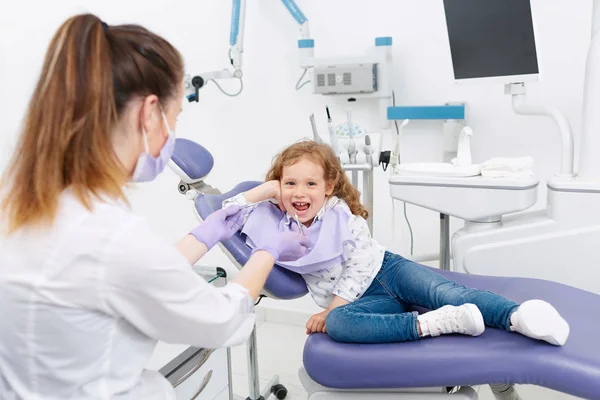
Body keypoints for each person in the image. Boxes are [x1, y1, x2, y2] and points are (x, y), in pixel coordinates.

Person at [0, 14, 309, 400]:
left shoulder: (24, 204)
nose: (172, 134)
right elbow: (219, 320)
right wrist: (270, 250)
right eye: (175, 117)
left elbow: (128, 274)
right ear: (149, 113)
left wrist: (210, 230)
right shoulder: (112, 235)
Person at [221, 140, 571, 346]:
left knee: (446, 292)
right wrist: (266, 190)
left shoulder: (341, 215)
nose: (299, 193)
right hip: (363, 303)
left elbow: (359, 267)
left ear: (328, 187)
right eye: (290, 183)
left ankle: (517, 316)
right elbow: (225, 212)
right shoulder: (274, 218)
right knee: (342, 326)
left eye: (311, 184)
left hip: (387, 271)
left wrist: (329, 309)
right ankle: (435, 323)